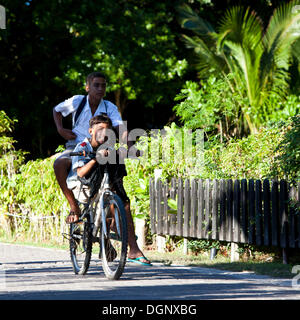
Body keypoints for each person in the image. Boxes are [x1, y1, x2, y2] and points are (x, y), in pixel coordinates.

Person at [53, 72, 151, 265]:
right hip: (78, 148)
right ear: (87, 87)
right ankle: (73, 206)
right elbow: (56, 110)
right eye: (96, 85)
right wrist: (60, 129)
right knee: (59, 164)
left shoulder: (110, 107)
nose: (100, 89)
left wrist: (130, 146)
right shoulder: (77, 101)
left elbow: (121, 129)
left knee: (120, 198)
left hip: (103, 150)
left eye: (103, 85)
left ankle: (132, 249)